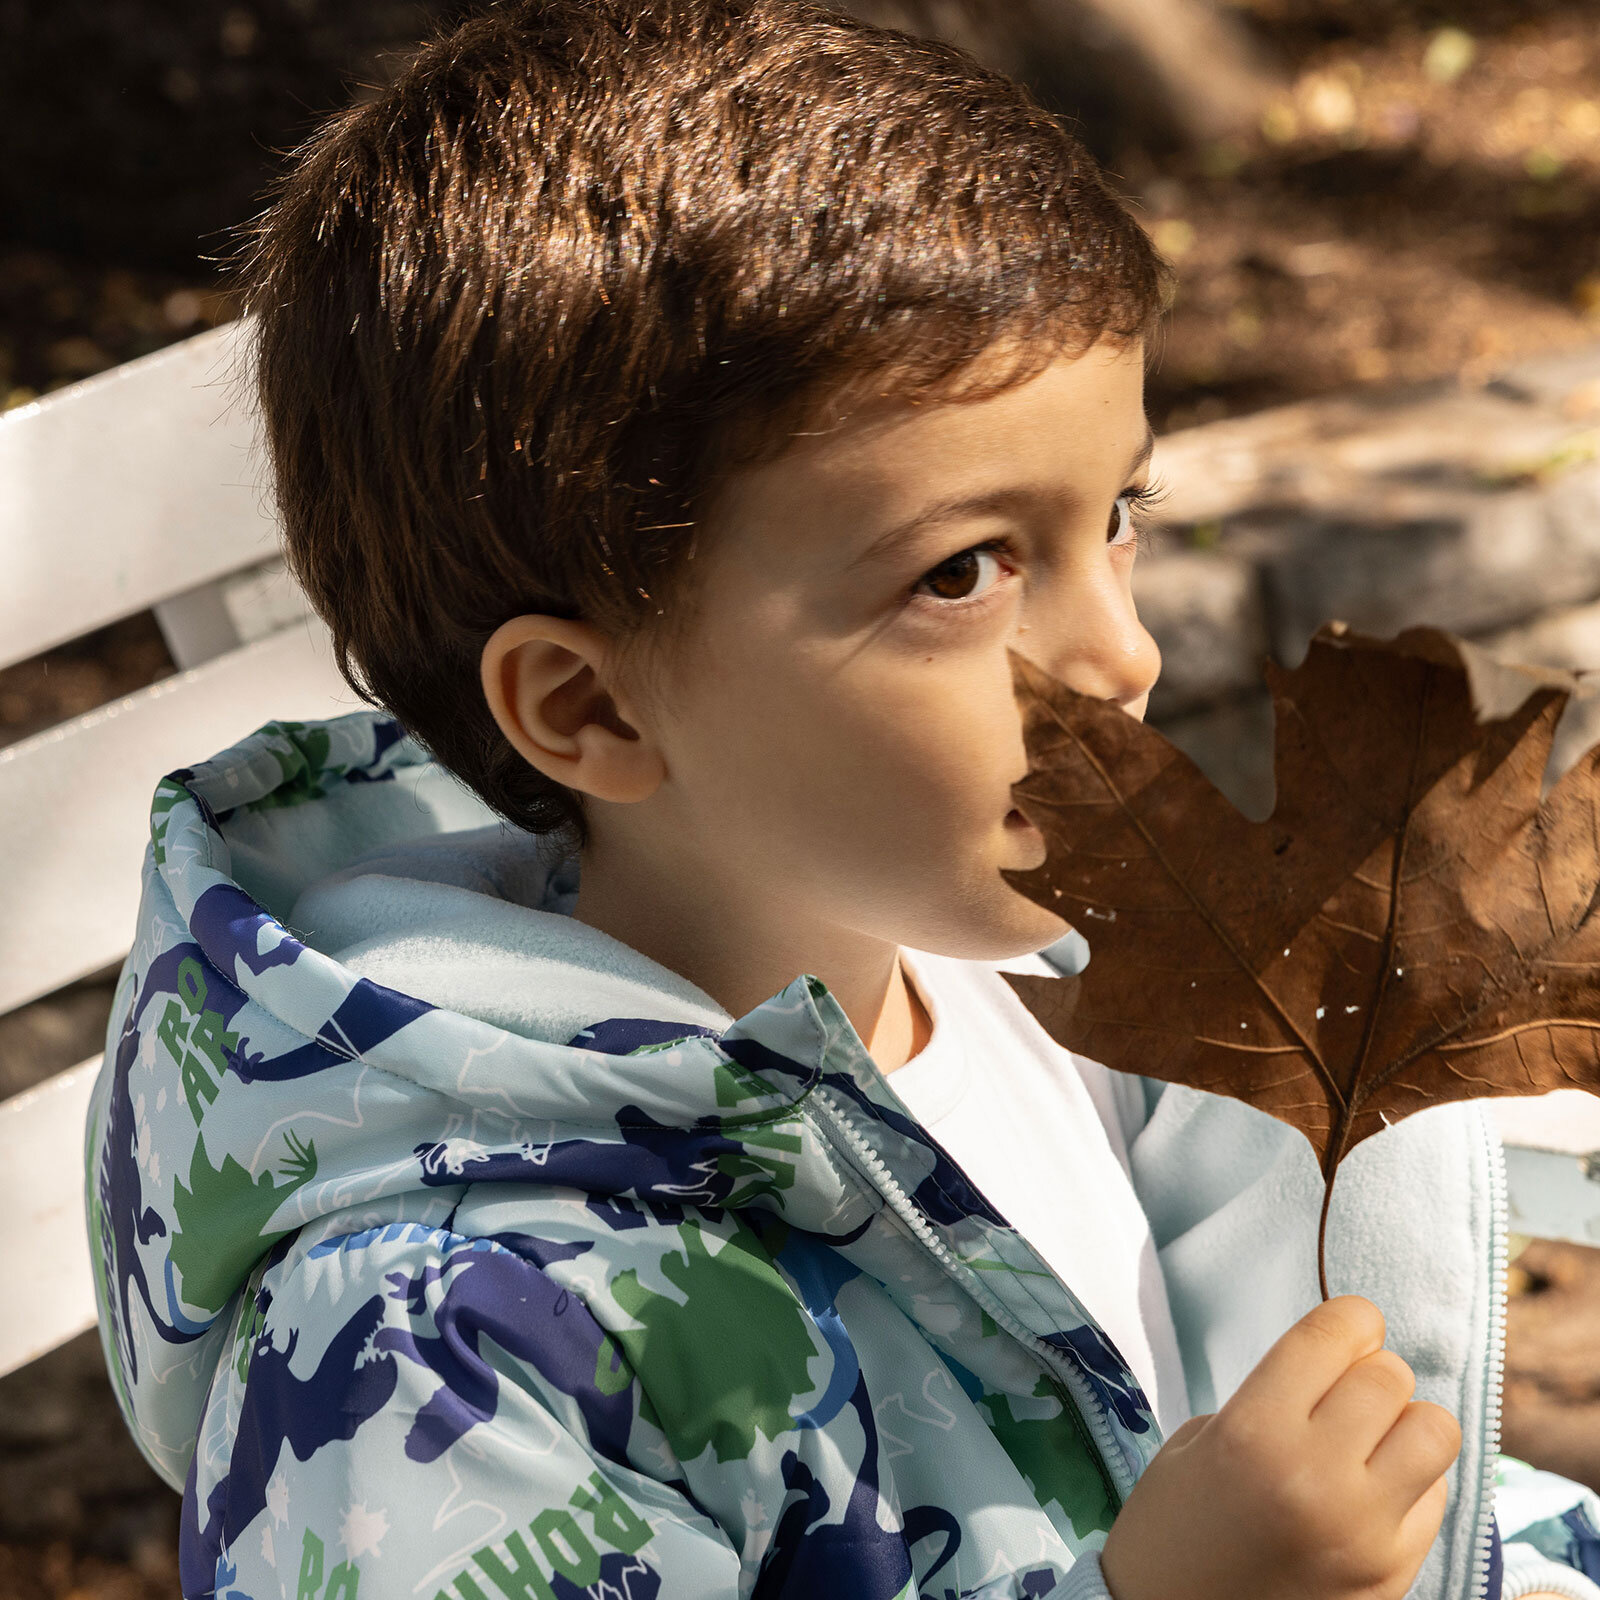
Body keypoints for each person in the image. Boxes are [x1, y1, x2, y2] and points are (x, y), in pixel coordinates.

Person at [85, 3, 1600, 1598]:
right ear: (592, 710)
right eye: (963, 573)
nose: (1125, 657)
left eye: (1119, 514)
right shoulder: (442, 1353)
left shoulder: (1059, 1006)